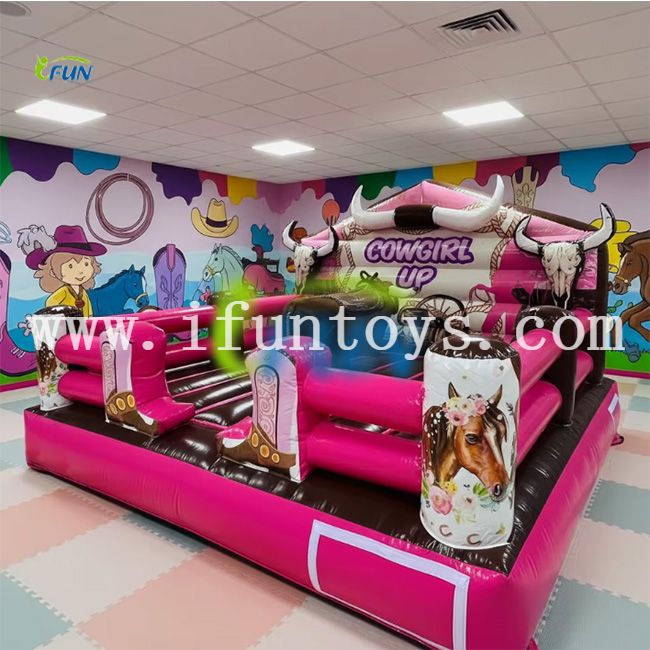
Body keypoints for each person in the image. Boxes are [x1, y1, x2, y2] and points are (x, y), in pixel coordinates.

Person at [27, 225, 107, 317]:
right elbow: (50, 303)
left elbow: (88, 309)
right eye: (70, 266)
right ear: (52, 272)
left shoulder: (83, 292)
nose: (80, 271)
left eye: (86, 264)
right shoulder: (63, 292)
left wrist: (89, 318)